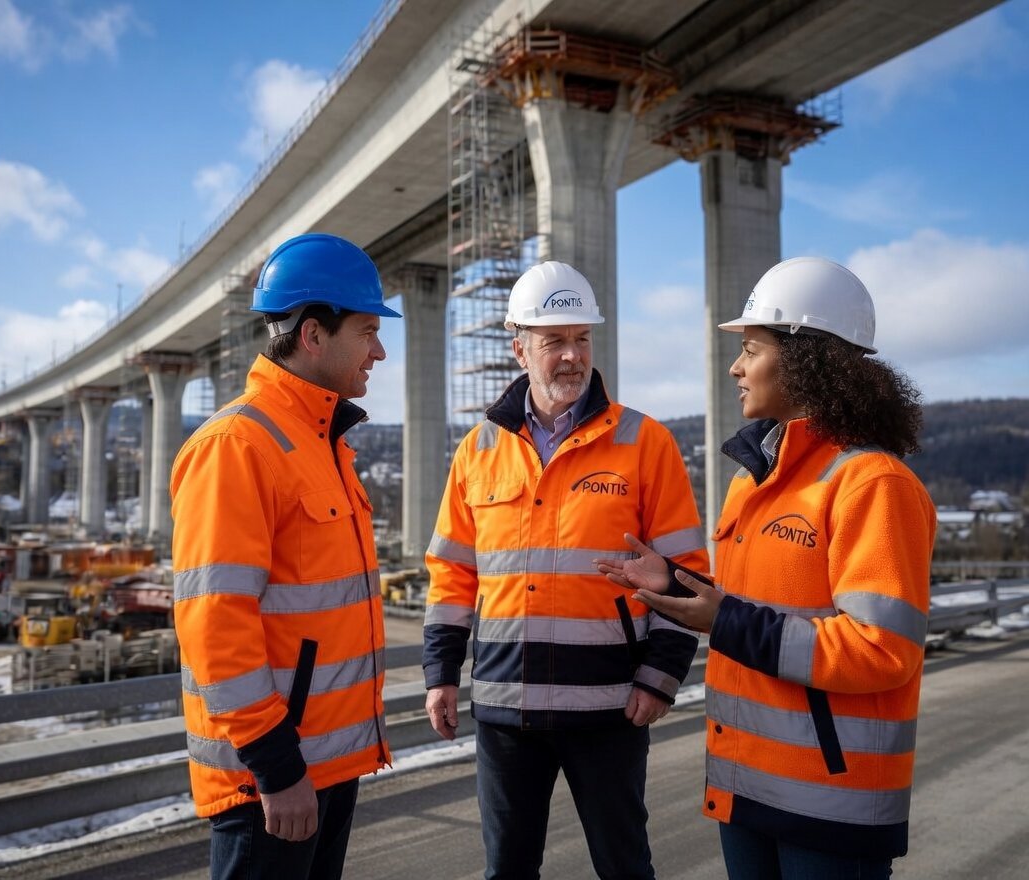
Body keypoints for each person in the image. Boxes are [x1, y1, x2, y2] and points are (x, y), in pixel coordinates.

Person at [598, 256, 936, 879]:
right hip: (746, 787)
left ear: (806, 360)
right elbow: (756, 607)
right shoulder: (754, 482)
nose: (735, 366)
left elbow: (882, 650)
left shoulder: (873, 484)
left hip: (830, 806)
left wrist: (724, 620)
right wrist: (675, 585)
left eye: (751, 348)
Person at [423, 261, 711, 880]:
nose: (571, 356)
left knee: (624, 866)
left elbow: (687, 571)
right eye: (554, 341)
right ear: (519, 347)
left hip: (610, 707)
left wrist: (661, 674)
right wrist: (441, 673)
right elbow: (452, 574)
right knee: (507, 870)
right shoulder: (477, 450)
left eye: (582, 339)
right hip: (505, 709)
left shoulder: (645, 442)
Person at [170, 232, 401, 880]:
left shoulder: (322, 444)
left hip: (325, 767)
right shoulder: (237, 447)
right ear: (312, 335)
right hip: (270, 780)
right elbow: (214, 624)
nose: (379, 350)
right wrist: (275, 766)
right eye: (366, 331)